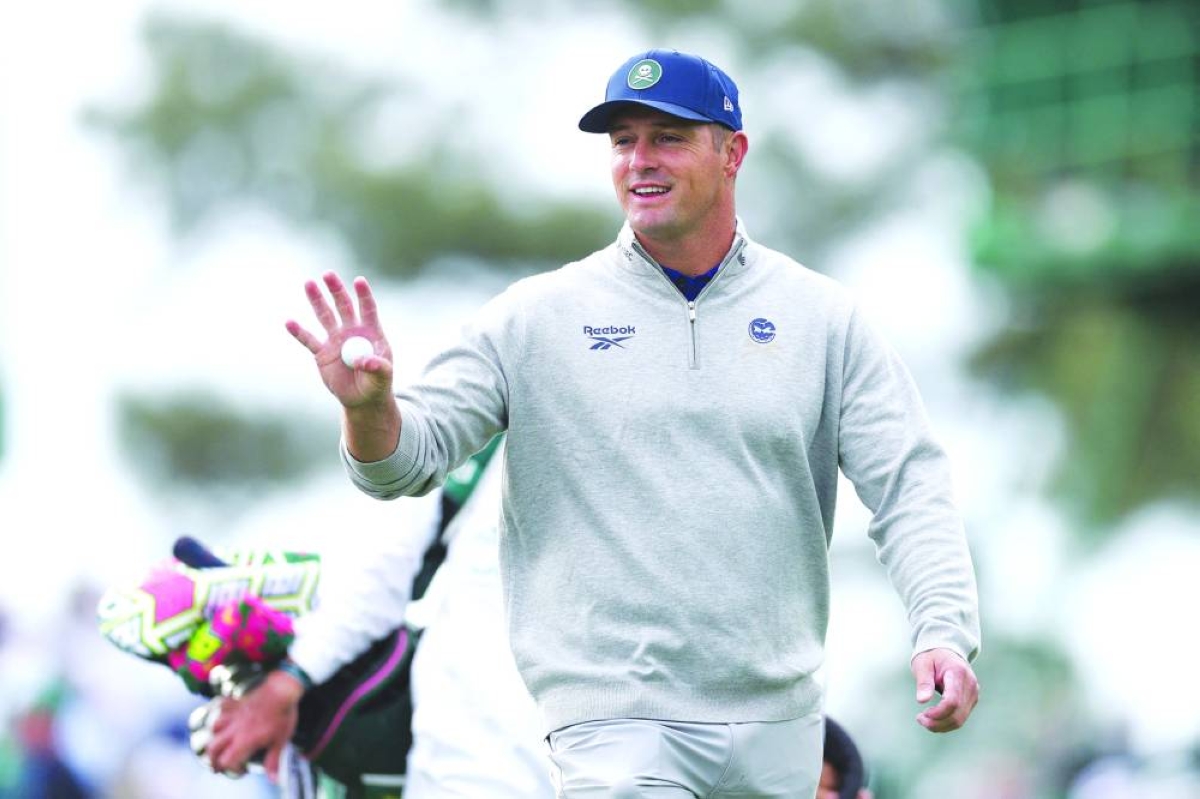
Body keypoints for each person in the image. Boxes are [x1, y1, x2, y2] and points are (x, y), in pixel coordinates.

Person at [208, 47, 981, 797]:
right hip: (617, 719)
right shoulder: (536, 318)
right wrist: (369, 407)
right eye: (623, 142)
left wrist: (942, 629)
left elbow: (909, 483)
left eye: (667, 138)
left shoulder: (822, 317)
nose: (639, 160)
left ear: (732, 152)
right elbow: (404, 465)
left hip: (780, 721)